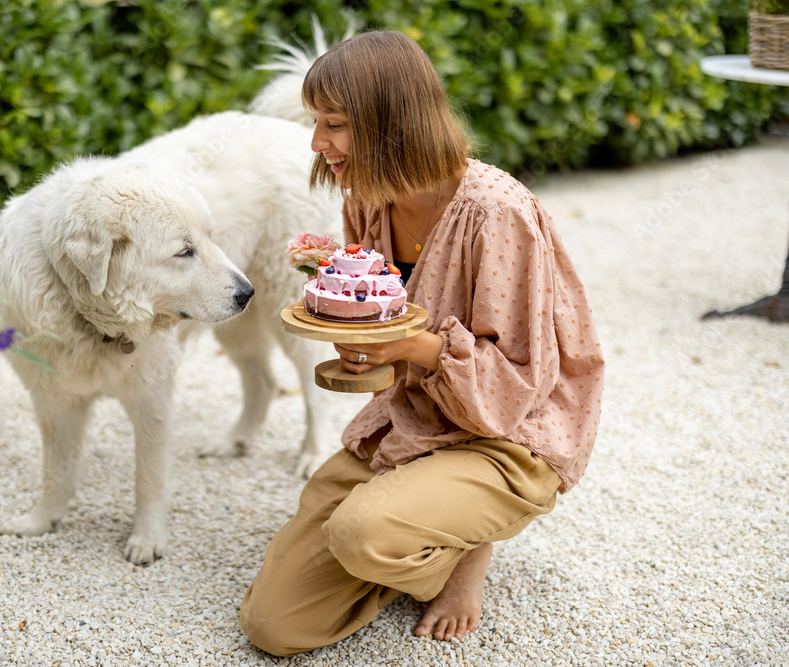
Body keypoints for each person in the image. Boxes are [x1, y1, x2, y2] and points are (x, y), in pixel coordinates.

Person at [240, 30, 605, 656]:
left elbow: (521, 380)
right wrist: (359, 343)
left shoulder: (496, 211)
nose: (316, 142)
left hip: (506, 437)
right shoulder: (367, 200)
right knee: (275, 625)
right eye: (316, 122)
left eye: (335, 124)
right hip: (412, 422)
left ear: (392, 124)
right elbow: (379, 317)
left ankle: (465, 551)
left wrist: (409, 349)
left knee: (361, 533)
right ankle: (423, 535)